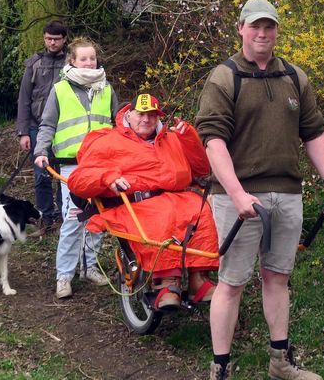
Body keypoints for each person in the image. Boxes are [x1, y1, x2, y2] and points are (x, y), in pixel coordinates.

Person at [195, 0, 324, 380]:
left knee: (278, 277)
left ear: (277, 31)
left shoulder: (295, 77)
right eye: (256, 26)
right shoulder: (224, 78)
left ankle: (280, 363)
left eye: (270, 27)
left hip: (287, 193)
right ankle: (220, 369)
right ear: (241, 28)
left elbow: (313, 133)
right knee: (232, 283)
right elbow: (213, 142)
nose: (263, 34)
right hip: (239, 198)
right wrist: (237, 193)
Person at [68, 94, 219, 309]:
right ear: (128, 114)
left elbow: (201, 170)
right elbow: (79, 179)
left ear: (158, 118)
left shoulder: (171, 139)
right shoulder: (108, 141)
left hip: (176, 197)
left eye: (152, 115)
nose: (146, 120)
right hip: (136, 204)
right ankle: (166, 283)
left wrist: (189, 140)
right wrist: (107, 178)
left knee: (202, 211)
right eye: (141, 114)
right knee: (161, 217)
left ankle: (199, 280)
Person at [33, 37, 118, 299]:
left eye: (92, 58)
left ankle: (89, 267)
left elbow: (118, 125)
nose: (89, 62)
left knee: (97, 218)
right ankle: (64, 276)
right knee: (73, 219)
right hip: (72, 166)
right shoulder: (60, 90)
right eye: (84, 58)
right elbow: (47, 124)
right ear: (73, 61)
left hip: (101, 164)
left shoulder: (106, 89)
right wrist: (40, 151)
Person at [17, 20, 68, 231]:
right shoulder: (34, 64)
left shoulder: (72, 63)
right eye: (49, 39)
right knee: (41, 174)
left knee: (63, 174)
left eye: (56, 39)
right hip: (38, 126)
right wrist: (23, 132)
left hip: (66, 126)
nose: (52, 43)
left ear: (64, 39)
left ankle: (64, 214)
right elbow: (24, 99)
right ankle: (45, 216)